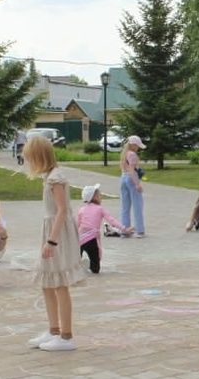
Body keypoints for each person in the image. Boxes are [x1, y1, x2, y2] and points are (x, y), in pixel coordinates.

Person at [23, 135, 84, 352]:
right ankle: (53, 330)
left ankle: (67, 336)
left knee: (59, 284)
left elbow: (62, 210)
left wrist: (52, 240)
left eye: (31, 157)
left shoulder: (55, 178)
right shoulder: (49, 176)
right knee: (47, 283)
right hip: (51, 232)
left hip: (57, 235)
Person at [77, 184, 133, 274]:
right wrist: (124, 229)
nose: (101, 197)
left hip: (80, 239)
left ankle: (78, 266)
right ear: (94, 197)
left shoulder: (82, 209)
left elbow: (77, 225)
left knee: (75, 260)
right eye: (99, 195)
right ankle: (90, 267)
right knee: (95, 266)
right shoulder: (100, 209)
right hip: (91, 240)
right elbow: (111, 220)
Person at [119, 135, 147, 237]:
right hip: (131, 179)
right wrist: (137, 184)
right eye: (137, 146)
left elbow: (124, 168)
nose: (138, 148)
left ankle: (125, 229)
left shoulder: (124, 153)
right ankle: (139, 230)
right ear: (133, 145)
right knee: (137, 205)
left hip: (123, 178)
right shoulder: (132, 155)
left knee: (125, 206)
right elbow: (132, 170)